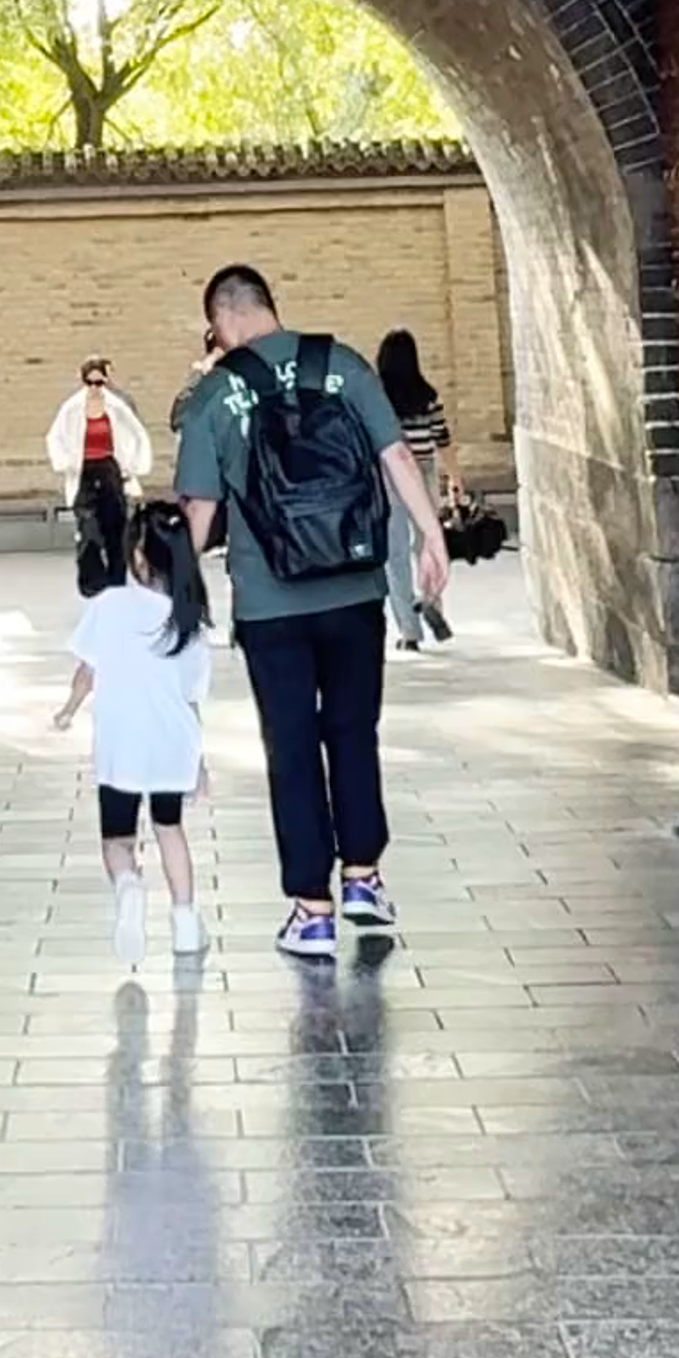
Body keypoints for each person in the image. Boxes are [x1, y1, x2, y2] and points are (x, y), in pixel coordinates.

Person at [175, 260, 445, 961]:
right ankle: (363, 876)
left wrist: (172, 597)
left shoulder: (215, 393)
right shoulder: (344, 365)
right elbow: (398, 457)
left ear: (226, 319)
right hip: (355, 590)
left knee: (291, 747)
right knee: (354, 730)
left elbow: (199, 509)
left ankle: (312, 910)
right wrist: (431, 536)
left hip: (270, 604)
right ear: (269, 306)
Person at [50, 493, 213, 975]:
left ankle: (128, 887)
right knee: (170, 830)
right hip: (171, 747)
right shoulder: (189, 622)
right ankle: (185, 924)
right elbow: (191, 701)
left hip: (121, 746)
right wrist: (199, 763)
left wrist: (67, 711)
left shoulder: (109, 605)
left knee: (117, 840)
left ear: (137, 556)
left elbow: (87, 672)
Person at [375, 326, 459, 649]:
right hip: (423, 472)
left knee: (394, 554)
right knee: (429, 545)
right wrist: (455, 479)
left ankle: (409, 632)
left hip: (390, 475)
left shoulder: (378, 400)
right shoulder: (428, 396)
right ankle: (432, 602)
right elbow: (443, 439)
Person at [43, 351, 152, 597]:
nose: (94, 388)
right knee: (89, 529)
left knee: (116, 529)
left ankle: (117, 584)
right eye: (89, 382)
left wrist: (133, 465)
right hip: (83, 471)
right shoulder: (72, 408)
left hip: (110, 468)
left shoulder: (116, 406)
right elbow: (55, 437)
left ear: (106, 381)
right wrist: (64, 462)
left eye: (99, 382)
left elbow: (137, 434)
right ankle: (93, 584)